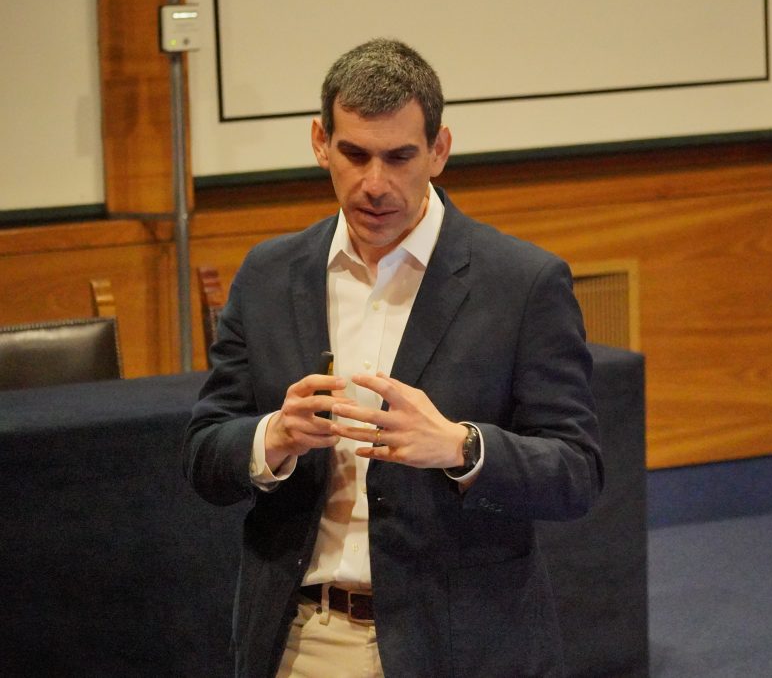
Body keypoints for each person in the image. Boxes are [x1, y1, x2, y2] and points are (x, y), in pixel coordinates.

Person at [183, 38, 603, 678]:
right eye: (354, 155)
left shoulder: (523, 284)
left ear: (439, 150)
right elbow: (203, 455)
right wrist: (272, 436)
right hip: (300, 641)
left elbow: (576, 473)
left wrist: (462, 447)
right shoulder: (268, 275)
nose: (374, 185)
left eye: (400, 157)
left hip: (459, 649)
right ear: (321, 143)